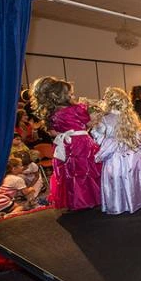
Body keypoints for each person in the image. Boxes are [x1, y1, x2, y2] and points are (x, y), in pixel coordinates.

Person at [31, 76, 101, 211]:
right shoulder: (77, 108)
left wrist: (66, 133)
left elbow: (52, 133)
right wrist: (95, 115)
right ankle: (89, 199)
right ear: (63, 96)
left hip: (64, 145)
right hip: (81, 143)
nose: (73, 96)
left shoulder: (51, 113)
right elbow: (89, 124)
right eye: (71, 94)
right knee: (85, 170)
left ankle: (73, 201)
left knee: (69, 172)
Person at [92, 87, 141, 215]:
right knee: (134, 179)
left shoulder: (105, 119)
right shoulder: (132, 118)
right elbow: (140, 137)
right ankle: (138, 200)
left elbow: (97, 138)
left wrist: (109, 140)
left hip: (115, 158)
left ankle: (118, 204)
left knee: (116, 180)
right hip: (133, 156)